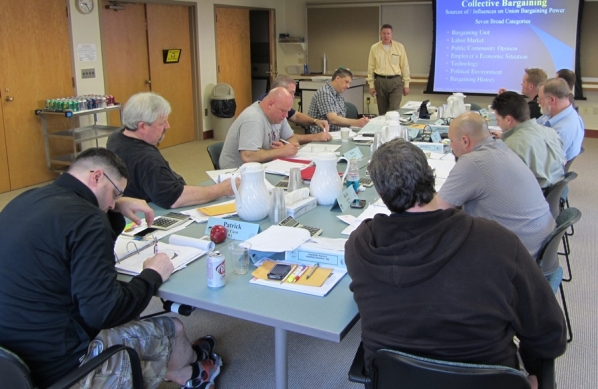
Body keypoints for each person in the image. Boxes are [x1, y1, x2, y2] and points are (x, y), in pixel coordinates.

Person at [345, 139, 566, 389]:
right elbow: (549, 333)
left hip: (395, 381)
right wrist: (536, 372)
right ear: (431, 176)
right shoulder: (497, 241)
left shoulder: (360, 245)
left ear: (381, 194)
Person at [0, 148, 221, 389]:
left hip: (11, 359)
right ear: (97, 176)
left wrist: (112, 209)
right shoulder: (88, 219)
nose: (114, 202)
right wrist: (153, 274)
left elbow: (85, 255)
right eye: (115, 193)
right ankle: (189, 373)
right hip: (63, 368)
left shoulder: (27, 198)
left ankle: (185, 362)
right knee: (174, 328)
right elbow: (104, 312)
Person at [436, 113, 556, 274]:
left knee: (437, 243)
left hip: (518, 258)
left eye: (451, 141)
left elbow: (437, 210)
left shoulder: (473, 162)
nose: (450, 146)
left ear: (465, 140)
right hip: (538, 245)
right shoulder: (502, 147)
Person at [107, 92, 233, 209]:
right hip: (151, 211)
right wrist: (222, 189)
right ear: (142, 126)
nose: (167, 126)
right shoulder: (146, 159)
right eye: (162, 123)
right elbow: (174, 198)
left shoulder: (117, 136)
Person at [490, 91, 565, 189]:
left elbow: (500, 182)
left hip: (529, 198)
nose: (497, 124)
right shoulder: (551, 133)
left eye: (498, 120)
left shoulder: (509, 147)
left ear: (508, 120)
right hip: (552, 193)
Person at [219, 87, 301, 169]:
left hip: (261, 167)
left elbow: (291, 137)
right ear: (270, 104)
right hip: (235, 172)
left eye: (287, 111)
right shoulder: (253, 119)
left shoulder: (278, 115)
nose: (286, 115)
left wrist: (287, 146)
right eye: (283, 111)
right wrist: (281, 151)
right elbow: (248, 156)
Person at [257, 75, 332, 142]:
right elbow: (283, 138)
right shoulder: (269, 107)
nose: (293, 97)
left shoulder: (279, 104)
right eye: (291, 93)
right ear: (280, 90)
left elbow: (295, 116)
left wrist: (315, 121)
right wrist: (315, 137)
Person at [306, 68, 369, 133]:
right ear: (337, 78)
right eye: (346, 82)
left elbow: (341, 116)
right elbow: (333, 119)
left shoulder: (338, 93)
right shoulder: (324, 92)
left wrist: (361, 122)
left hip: (337, 133)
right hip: (322, 134)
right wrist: (356, 122)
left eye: (349, 83)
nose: (348, 86)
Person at [366, 24, 411, 115]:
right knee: (382, 111)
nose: (386, 36)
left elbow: (405, 66)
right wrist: (371, 85)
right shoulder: (374, 48)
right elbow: (371, 67)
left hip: (395, 81)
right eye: (384, 33)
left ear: (392, 34)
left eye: (388, 33)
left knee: (393, 110)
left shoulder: (399, 47)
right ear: (380, 34)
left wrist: (406, 84)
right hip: (380, 81)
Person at [537, 78, 584, 162]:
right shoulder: (551, 114)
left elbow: (542, 161)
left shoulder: (561, 132)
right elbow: (532, 127)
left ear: (551, 100)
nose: (538, 102)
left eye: (540, 99)